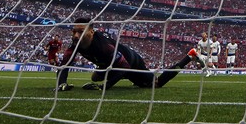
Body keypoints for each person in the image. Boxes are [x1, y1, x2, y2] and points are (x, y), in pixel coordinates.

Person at [54, 18, 199, 91]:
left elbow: (124, 65)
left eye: (80, 32)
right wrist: (62, 84)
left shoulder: (104, 46)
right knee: (94, 77)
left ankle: (189, 56)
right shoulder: (75, 44)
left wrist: (106, 86)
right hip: (110, 64)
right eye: (74, 32)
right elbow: (65, 64)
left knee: (156, 84)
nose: (76, 36)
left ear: (91, 32)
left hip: (130, 62)